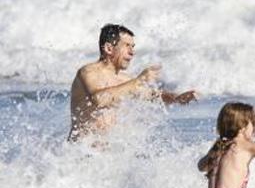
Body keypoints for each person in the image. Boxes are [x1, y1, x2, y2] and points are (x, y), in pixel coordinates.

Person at [68, 24, 197, 142]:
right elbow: (99, 99)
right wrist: (139, 80)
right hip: (79, 155)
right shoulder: (88, 72)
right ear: (109, 48)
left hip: (106, 159)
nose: (132, 52)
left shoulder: (125, 81)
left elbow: (152, 95)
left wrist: (176, 98)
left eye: (133, 47)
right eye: (127, 46)